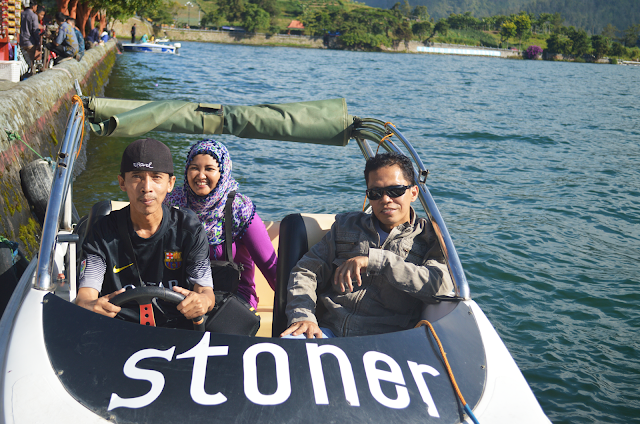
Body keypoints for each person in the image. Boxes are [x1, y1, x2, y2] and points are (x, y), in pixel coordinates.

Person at [281, 152, 454, 339]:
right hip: (329, 332)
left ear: (413, 193)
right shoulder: (346, 225)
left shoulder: (429, 237)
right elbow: (307, 270)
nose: (386, 199)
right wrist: (303, 316)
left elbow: (439, 285)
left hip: (387, 342)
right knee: (292, 343)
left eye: (395, 191)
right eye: (376, 193)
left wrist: (378, 261)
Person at [76, 138, 215, 329]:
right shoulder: (102, 232)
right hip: (116, 334)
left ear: (170, 183)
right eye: (137, 176)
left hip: (177, 335)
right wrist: (91, 305)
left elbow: (206, 292)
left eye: (156, 176)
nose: (146, 187)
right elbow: (85, 296)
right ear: (122, 182)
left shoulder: (189, 230)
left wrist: (202, 302)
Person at [164, 140, 277, 310]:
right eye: (194, 167)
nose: (200, 175)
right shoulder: (172, 204)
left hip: (233, 299)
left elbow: (274, 273)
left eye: (209, 169)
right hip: (183, 295)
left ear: (223, 172)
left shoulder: (239, 210)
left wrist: (300, 312)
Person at [19, 2, 42, 73]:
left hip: (22, 41)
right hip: (30, 42)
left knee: (24, 61)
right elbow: (35, 30)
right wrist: (38, 42)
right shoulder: (33, 16)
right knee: (31, 63)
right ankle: (31, 75)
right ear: (33, 6)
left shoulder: (21, 14)